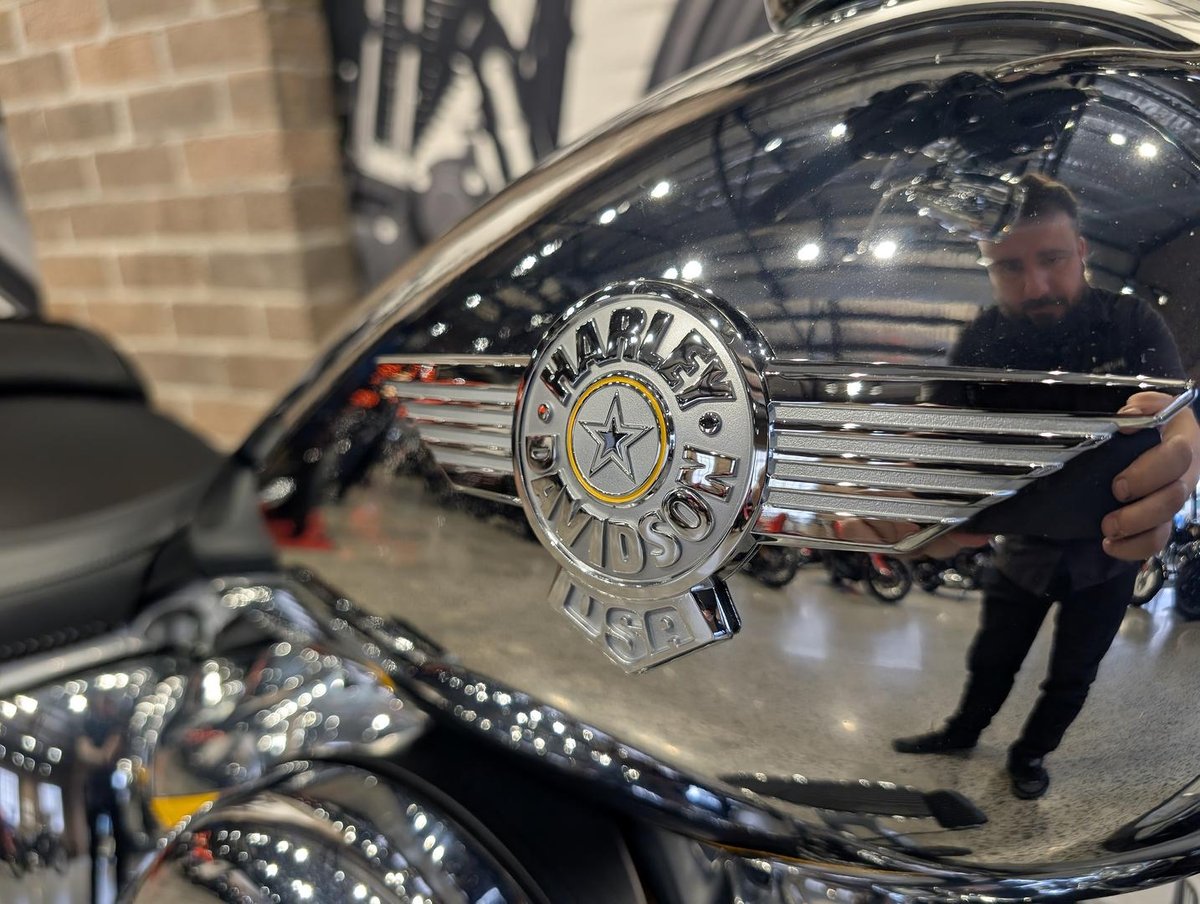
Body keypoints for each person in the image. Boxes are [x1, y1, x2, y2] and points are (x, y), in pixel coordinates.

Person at [892, 173, 1200, 799]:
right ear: (988, 267)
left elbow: (1178, 419)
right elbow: (940, 431)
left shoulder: (1130, 321)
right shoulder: (983, 338)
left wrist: (1187, 456)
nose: (1035, 286)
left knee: (1073, 673)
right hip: (1020, 546)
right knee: (991, 657)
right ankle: (962, 731)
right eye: (1009, 267)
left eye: (1052, 259)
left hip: (1110, 551)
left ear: (1081, 250)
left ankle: (1029, 757)